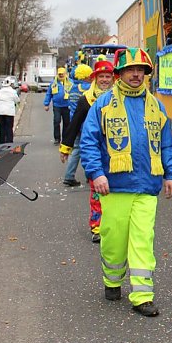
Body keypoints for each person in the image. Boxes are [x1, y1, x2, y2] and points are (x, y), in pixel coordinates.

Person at [79, 48, 172, 317]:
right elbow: (88, 142)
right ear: (119, 73)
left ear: (146, 74)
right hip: (114, 186)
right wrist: (96, 173)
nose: (136, 75)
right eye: (130, 70)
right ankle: (112, 281)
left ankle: (142, 296)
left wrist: (170, 174)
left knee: (142, 240)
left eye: (141, 70)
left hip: (147, 187)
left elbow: (166, 143)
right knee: (113, 239)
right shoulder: (102, 104)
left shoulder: (157, 106)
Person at [61, 59, 115, 242]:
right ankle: (97, 227)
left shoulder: (120, 98)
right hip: (94, 151)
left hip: (117, 153)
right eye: (102, 76)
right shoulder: (86, 99)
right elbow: (74, 123)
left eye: (108, 76)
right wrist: (65, 147)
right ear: (95, 78)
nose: (105, 80)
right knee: (97, 191)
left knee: (115, 191)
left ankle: (113, 224)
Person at [60, 63, 93, 187]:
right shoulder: (89, 88)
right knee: (86, 149)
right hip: (85, 123)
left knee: (77, 149)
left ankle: (70, 175)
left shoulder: (73, 88)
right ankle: (87, 175)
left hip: (74, 121)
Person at [43, 67, 72, 145]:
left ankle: (65, 139)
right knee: (56, 121)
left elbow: (74, 93)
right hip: (57, 106)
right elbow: (49, 94)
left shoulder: (70, 82)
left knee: (67, 123)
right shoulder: (53, 83)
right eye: (60, 74)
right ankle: (57, 138)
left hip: (67, 106)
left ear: (65, 74)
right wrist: (46, 104)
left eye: (62, 74)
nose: (61, 76)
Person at [0, 77, 19, 143]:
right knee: (9, 127)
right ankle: (9, 141)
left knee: (2, 127)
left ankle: (2, 141)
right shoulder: (13, 91)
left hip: (0, 112)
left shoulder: (0, 91)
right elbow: (17, 100)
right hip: (9, 112)